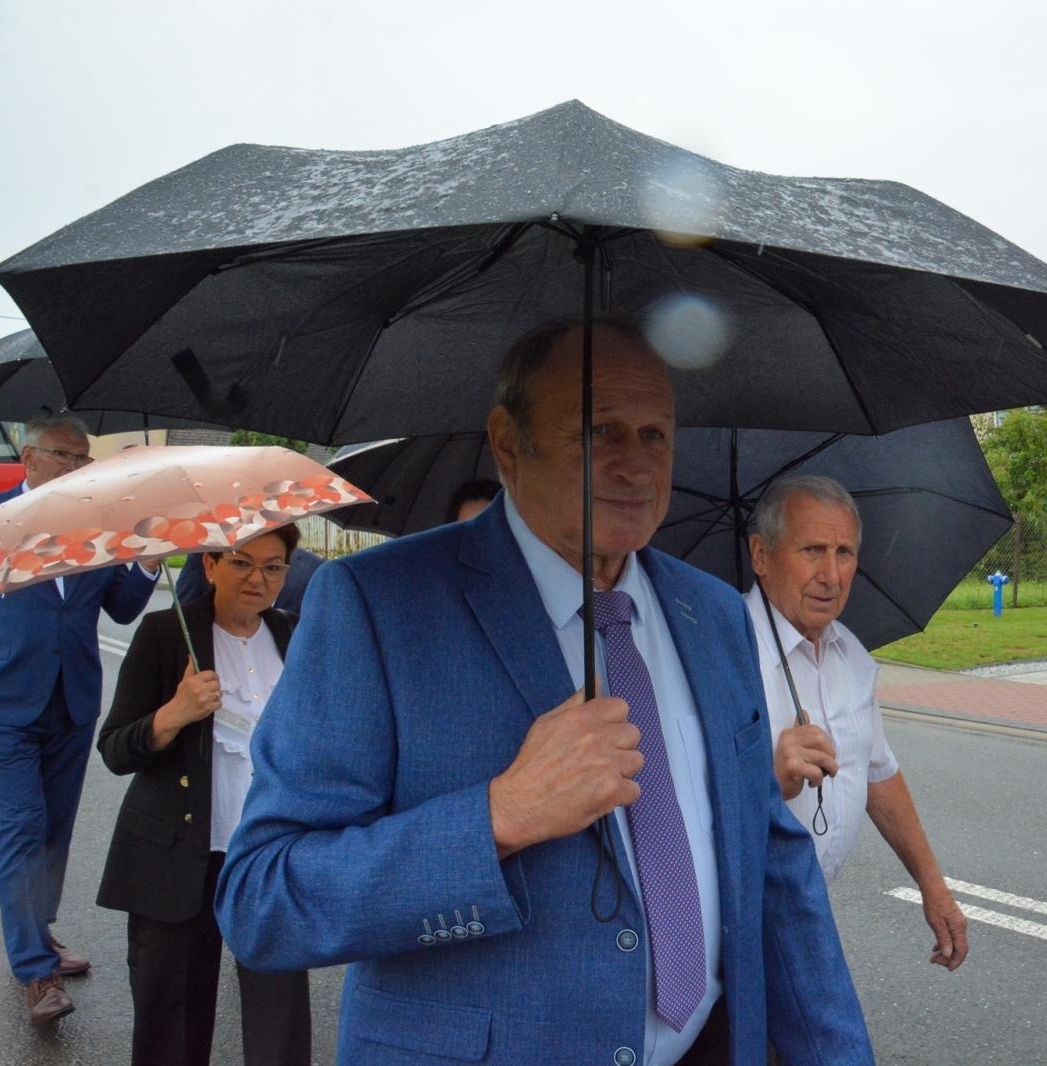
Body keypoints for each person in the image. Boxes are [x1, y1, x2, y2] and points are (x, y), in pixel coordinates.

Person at [214, 320, 871, 1064]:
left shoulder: (715, 612)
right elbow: (264, 899)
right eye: (598, 432)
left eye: (655, 435)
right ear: (506, 444)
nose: (634, 467)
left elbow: (775, 870)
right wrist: (499, 816)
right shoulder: (378, 604)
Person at [0, 415, 160, 1025]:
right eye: (64, 456)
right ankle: (35, 973)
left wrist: (147, 560)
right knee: (22, 824)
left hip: (70, 699)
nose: (75, 468)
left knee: (54, 829)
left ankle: (39, 931)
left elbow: (121, 609)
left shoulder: (95, 528)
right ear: (29, 456)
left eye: (82, 459)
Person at [97, 524, 312, 1066]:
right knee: (171, 1014)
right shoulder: (166, 635)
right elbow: (115, 749)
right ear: (210, 565)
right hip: (176, 853)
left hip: (269, 855)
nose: (257, 579)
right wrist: (174, 713)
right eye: (241, 562)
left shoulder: (298, 636)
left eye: (274, 566)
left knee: (279, 1012)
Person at [746, 475, 968, 972]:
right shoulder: (726, 650)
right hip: (739, 921)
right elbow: (681, 804)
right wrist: (768, 779)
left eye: (844, 552)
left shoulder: (849, 652)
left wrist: (933, 888)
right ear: (760, 555)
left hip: (811, 911)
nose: (831, 574)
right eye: (812, 550)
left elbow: (877, 772)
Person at [175, 543, 322, 614]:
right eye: (240, 563)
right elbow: (181, 617)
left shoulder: (315, 569)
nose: (256, 580)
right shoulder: (206, 555)